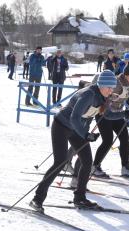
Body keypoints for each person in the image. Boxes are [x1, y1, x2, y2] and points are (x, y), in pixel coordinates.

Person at [30, 70, 117, 212]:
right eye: (109, 87)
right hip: (62, 126)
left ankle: (80, 198)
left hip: (76, 130)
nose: (111, 90)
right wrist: (86, 135)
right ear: (101, 85)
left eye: (112, 87)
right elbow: (74, 118)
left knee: (87, 161)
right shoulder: (88, 94)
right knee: (60, 162)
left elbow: (107, 115)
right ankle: (37, 199)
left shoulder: (102, 97)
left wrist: (126, 114)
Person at [91, 60, 129, 179]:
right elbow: (105, 99)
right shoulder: (117, 83)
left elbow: (124, 99)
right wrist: (124, 112)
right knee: (108, 141)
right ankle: (95, 166)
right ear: (126, 75)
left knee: (125, 138)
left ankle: (125, 167)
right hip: (104, 114)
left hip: (118, 114)